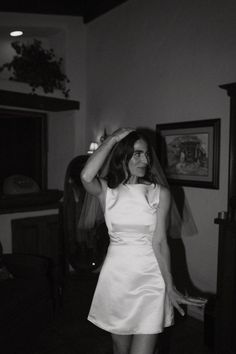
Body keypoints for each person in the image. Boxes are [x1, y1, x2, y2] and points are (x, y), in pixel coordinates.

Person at [80, 128, 206, 354]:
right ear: (122, 156)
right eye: (137, 154)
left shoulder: (160, 193)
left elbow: (160, 242)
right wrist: (113, 139)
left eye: (146, 154)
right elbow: (85, 176)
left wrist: (170, 285)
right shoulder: (106, 191)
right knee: (120, 348)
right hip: (116, 279)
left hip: (150, 278)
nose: (144, 160)